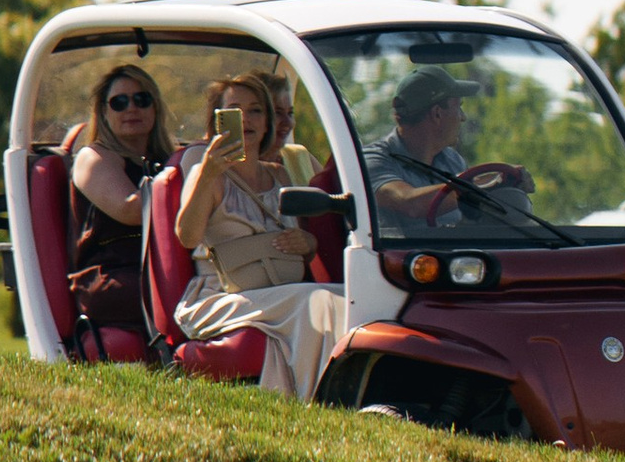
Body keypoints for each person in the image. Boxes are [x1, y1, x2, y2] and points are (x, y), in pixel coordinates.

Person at [172, 66, 346, 399]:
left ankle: (336, 397)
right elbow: (187, 236)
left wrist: (308, 244)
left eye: (256, 111)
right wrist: (208, 173)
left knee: (340, 295)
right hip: (220, 296)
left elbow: (308, 245)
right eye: (234, 112)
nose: (247, 120)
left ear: (268, 122)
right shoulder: (205, 172)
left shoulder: (281, 176)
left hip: (277, 291)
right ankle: (317, 404)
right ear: (218, 122)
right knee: (316, 299)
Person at [66, 60, 172, 339]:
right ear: (103, 112)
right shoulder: (93, 158)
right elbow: (132, 210)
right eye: (119, 103)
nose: (131, 109)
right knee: (183, 289)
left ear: (155, 107)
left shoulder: (165, 159)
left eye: (141, 99)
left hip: (157, 267)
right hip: (112, 275)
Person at [370, 67, 478, 222]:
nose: (463, 117)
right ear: (437, 113)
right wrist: (482, 186)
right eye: (458, 107)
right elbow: (410, 204)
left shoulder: (452, 161)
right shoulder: (372, 161)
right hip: (395, 247)